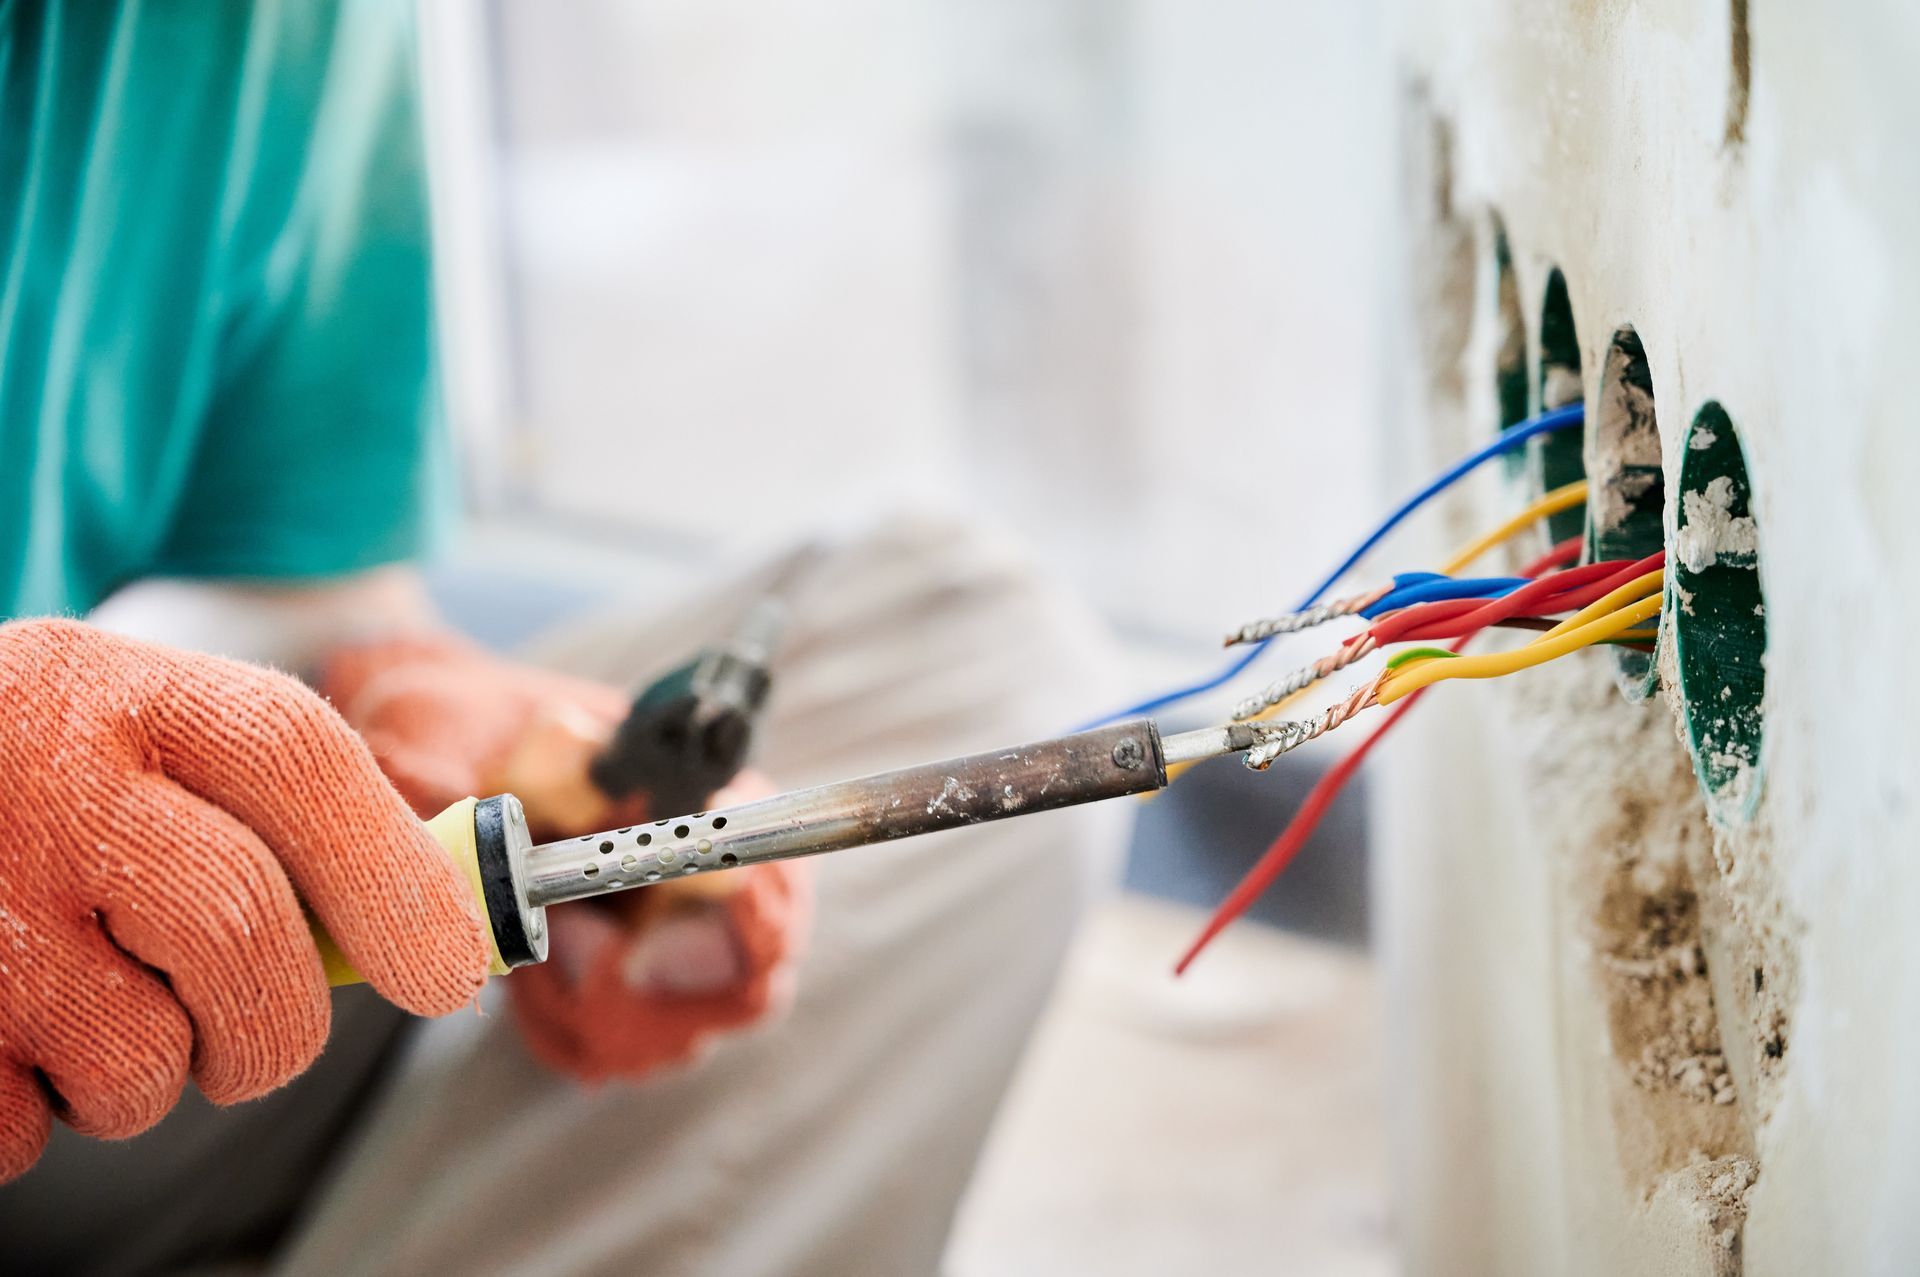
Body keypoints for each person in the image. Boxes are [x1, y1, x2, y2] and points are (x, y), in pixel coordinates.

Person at [0, 3, 1125, 1273]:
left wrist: (416, 694)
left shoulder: (279, 31)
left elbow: (303, 577)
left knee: (967, 646)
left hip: (132, 1017)